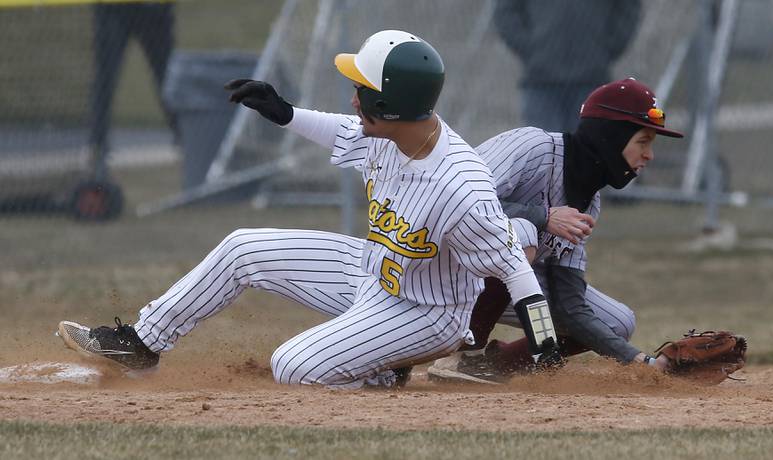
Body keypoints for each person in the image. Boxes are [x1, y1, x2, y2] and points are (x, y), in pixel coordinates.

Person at [57, 30, 561, 389]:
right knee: (242, 249)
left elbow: (515, 269)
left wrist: (545, 348)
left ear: (389, 106)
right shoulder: (391, 132)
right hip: (375, 272)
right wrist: (285, 113)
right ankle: (140, 346)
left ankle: (380, 370)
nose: (353, 97)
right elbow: (344, 130)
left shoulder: (460, 186)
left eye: (362, 90)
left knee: (292, 366)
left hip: (428, 312)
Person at [428, 78, 684, 384]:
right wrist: (543, 216)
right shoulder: (534, 147)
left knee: (616, 322)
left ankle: (496, 366)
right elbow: (454, 199)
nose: (649, 155)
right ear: (611, 137)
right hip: (432, 265)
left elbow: (569, 305)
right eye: (643, 141)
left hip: (495, 284)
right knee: (518, 235)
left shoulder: (589, 203)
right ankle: (460, 355)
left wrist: (642, 362)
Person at [493, 0, 642, 132]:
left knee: (586, 157)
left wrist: (605, 49)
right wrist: (532, 50)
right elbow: (506, 12)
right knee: (544, 155)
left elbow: (628, 9)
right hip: (542, 83)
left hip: (591, 81)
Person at [89, 1, 176, 179]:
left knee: (168, 78)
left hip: (154, 10)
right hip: (113, 9)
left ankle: (187, 142)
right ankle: (98, 148)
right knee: (105, 81)